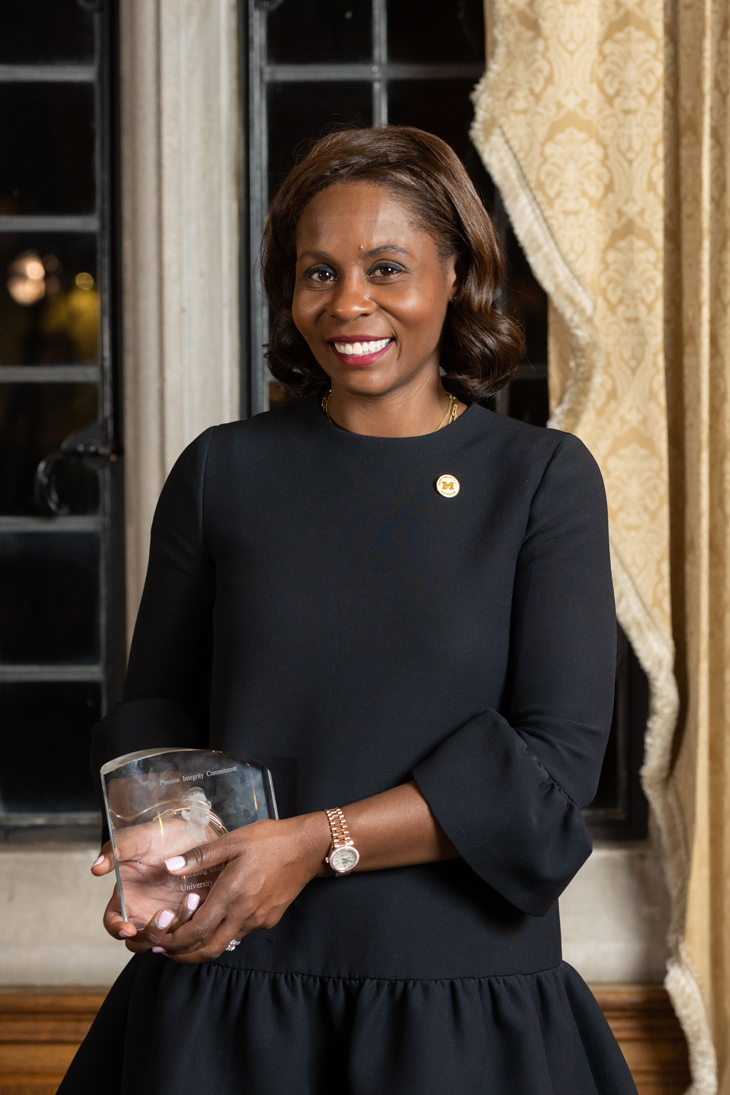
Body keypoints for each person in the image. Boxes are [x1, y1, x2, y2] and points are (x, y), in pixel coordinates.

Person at [59, 126, 637, 1095]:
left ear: (455, 272)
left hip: (460, 1014)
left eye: (385, 267)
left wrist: (315, 843)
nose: (349, 304)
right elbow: (154, 710)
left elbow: (551, 772)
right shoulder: (221, 473)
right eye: (316, 273)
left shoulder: (540, 482)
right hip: (232, 1005)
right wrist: (154, 842)